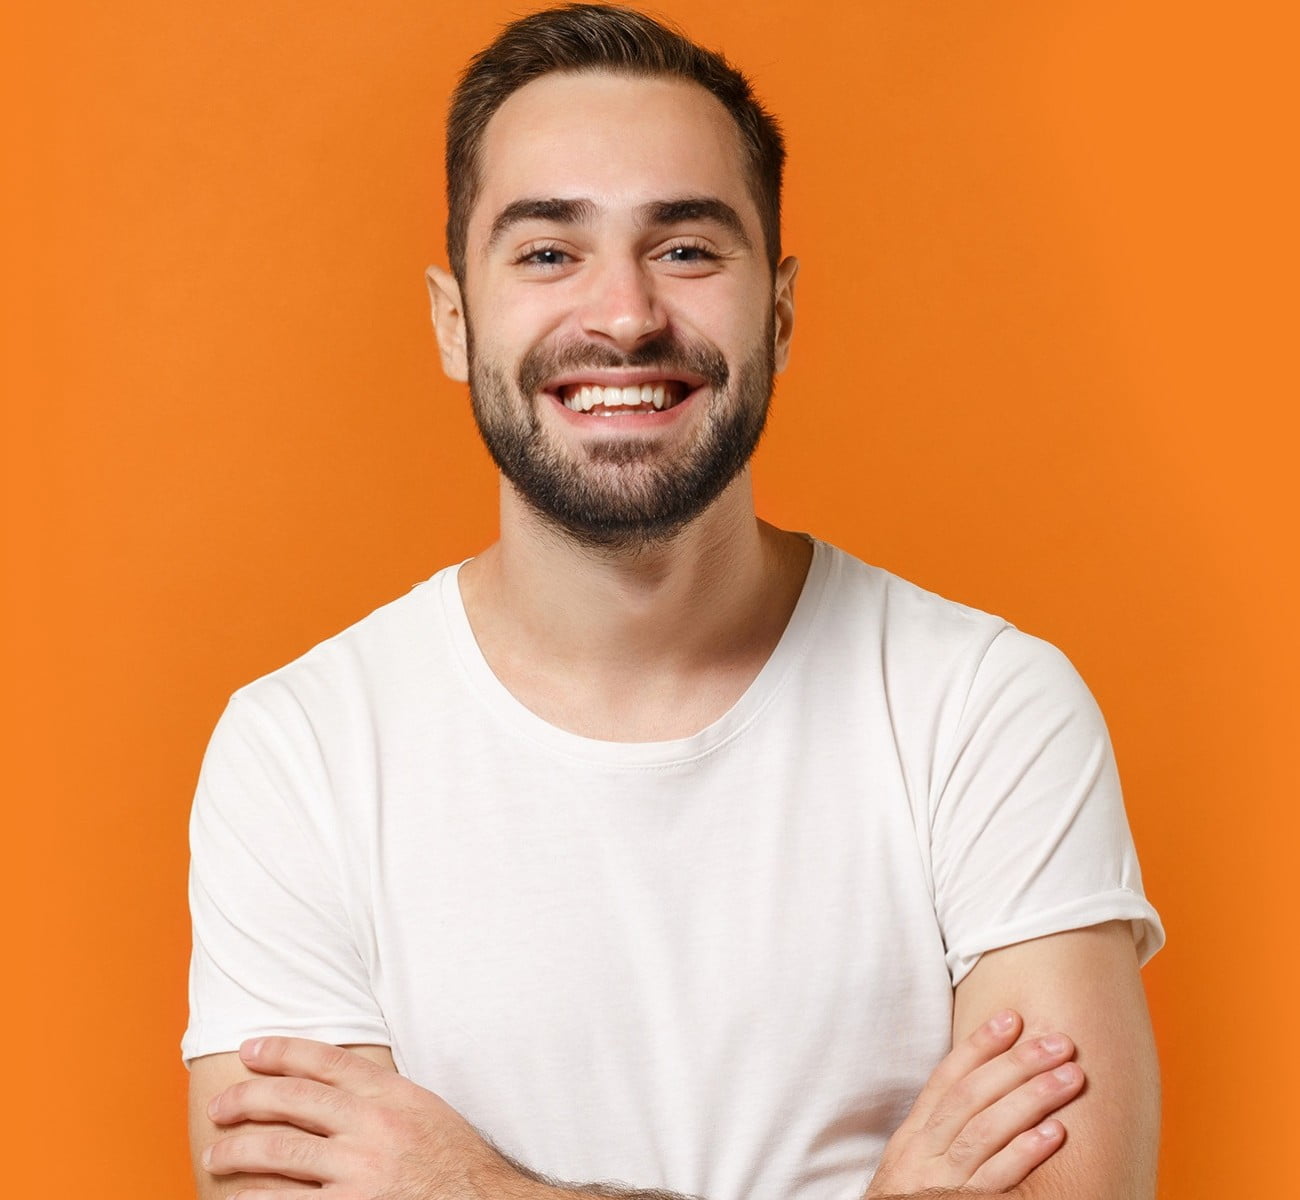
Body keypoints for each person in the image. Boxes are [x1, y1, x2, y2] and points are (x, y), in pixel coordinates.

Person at [184, 5, 1163, 1198]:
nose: (625, 315)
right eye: (548, 252)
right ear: (455, 321)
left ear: (782, 312)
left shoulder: (985, 707)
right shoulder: (299, 753)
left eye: (687, 249)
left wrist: (483, 1191)